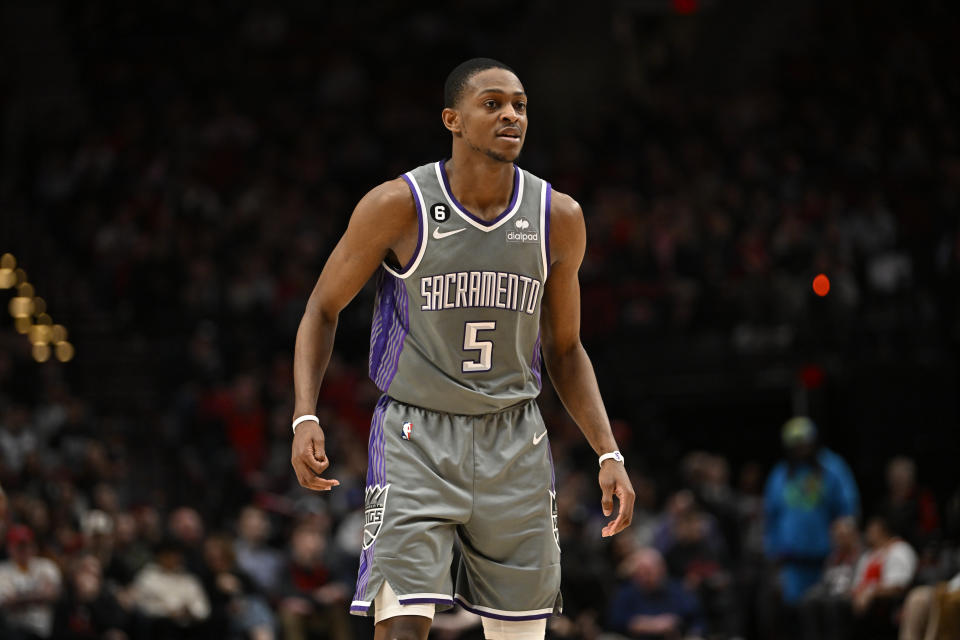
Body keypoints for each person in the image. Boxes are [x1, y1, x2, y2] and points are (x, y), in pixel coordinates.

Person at [290, 57, 635, 640]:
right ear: (452, 119)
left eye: (520, 105)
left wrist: (608, 453)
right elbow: (321, 310)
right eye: (493, 103)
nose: (511, 116)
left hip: (514, 438)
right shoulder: (397, 206)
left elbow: (567, 349)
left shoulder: (559, 217)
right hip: (416, 438)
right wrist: (304, 413)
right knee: (401, 628)